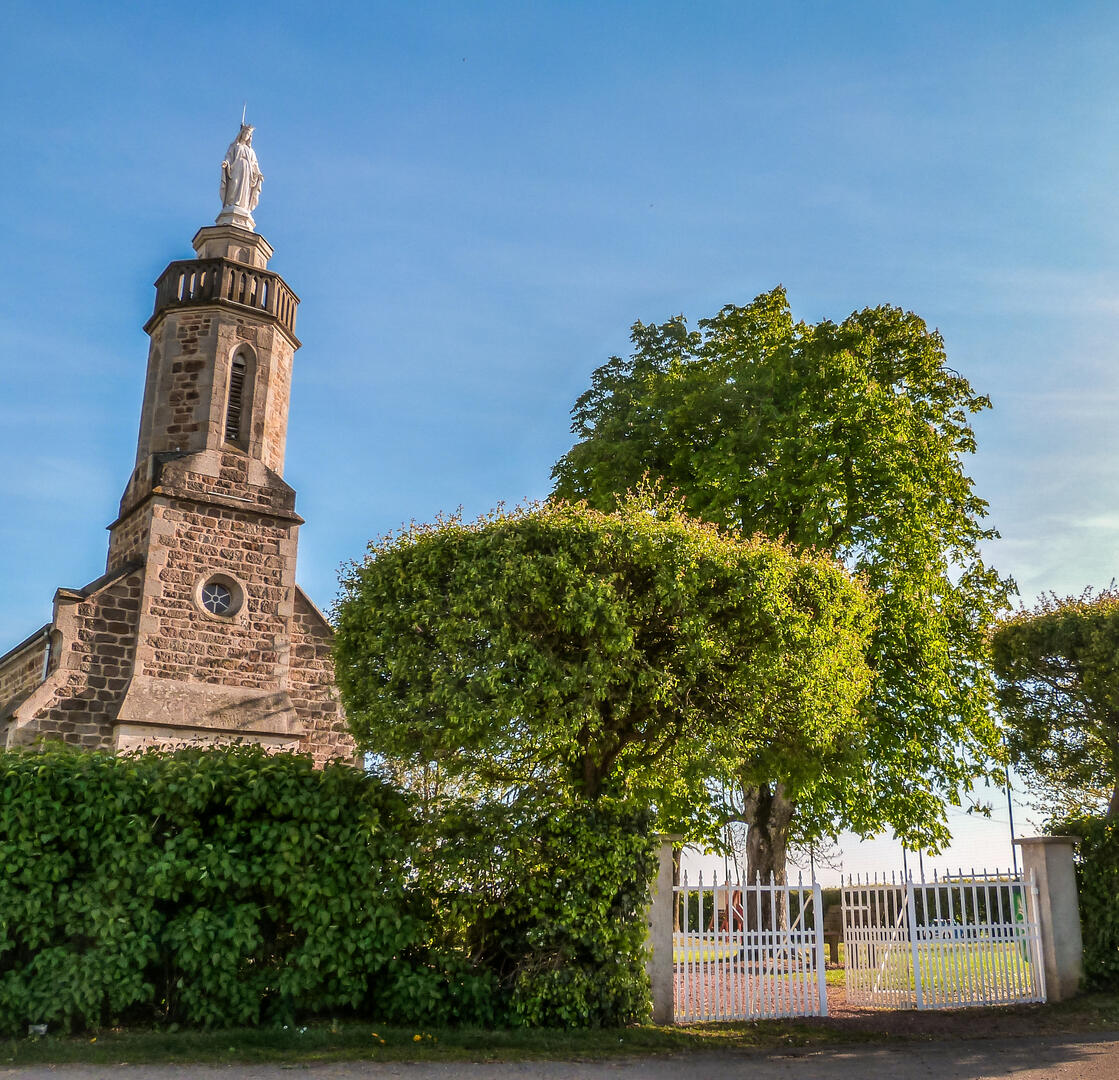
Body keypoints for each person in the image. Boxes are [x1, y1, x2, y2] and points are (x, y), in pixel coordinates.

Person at [219, 124, 263, 216]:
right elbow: (229, 156)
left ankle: (243, 204)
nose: (246, 136)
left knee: (244, 188)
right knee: (234, 184)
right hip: (236, 167)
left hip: (247, 171)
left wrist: (258, 173)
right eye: (245, 133)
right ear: (241, 134)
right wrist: (226, 162)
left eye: (248, 135)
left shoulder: (251, 150)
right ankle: (231, 203)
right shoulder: (235, 146)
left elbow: (254, 163)